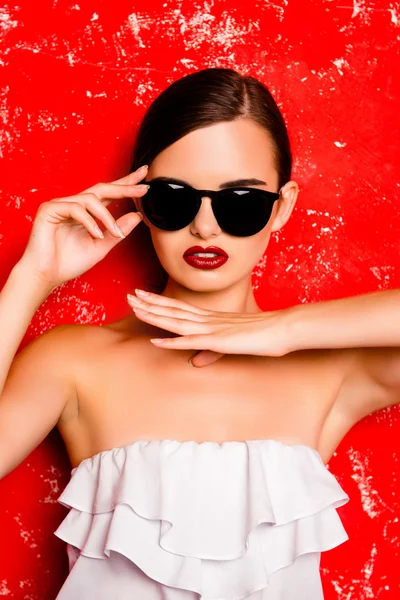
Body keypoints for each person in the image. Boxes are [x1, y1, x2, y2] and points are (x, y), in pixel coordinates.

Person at [0, 67, 399, 599]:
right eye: (175, 199)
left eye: (241, 203)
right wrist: (32, 278)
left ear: (281, 208)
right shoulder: (75, 361)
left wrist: (282, 330)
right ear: (140, 201)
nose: (205, 227)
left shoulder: (330, 370)